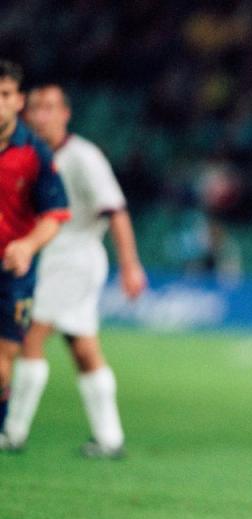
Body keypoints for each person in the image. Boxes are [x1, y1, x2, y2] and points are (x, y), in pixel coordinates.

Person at [0, 83, 146, 457]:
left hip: (73, 261)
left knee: (29, 338)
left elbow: (116, 211)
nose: (41, 115)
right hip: (49, 260)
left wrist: (130, 265)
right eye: (35, 108)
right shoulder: (28, 154)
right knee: (83, 348)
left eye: (50, 107)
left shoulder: (83, 157)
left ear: (66, 114)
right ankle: (109, 438)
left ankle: (12, 432)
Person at [0, 62, 71, 448]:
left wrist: (28, 245)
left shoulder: (34, 153)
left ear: (19, 101)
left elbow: (54, 214)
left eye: (5, 95)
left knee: (3, 361)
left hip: (11, 271)